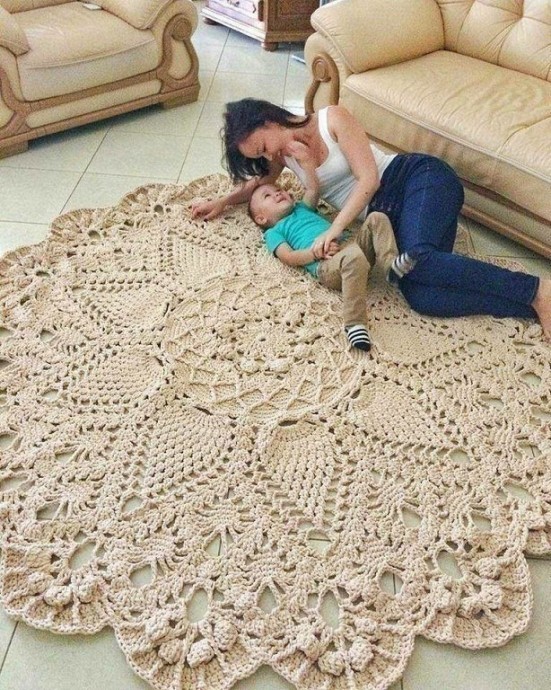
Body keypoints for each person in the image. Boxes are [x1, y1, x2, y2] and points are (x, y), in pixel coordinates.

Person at [191, 99, 551, 340]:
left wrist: (334, 229)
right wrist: (221, 201)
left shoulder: (331, 118)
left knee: (421, 261)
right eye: (260, 155)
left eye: (262, 147)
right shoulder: (284, 156)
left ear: (268, 121)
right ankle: (532, 305)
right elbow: (258, 184)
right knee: (420, 295)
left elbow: (369, 180)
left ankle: (537, 288)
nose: (268, 156)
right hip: (393, 218)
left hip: (417, 180)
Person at [249, 179, 414, 351]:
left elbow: (313, 188)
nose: (277, 193)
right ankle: (354, 323)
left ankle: (390, 265)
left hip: (352, 248)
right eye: (267, 196)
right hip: (328, 266)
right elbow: (288, 257)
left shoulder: (302, 208)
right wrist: (315, 253)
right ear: (261, 218)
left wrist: (307, 164)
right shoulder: (273, 232)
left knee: (377, 217)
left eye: (278, 189)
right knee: (353, 257)